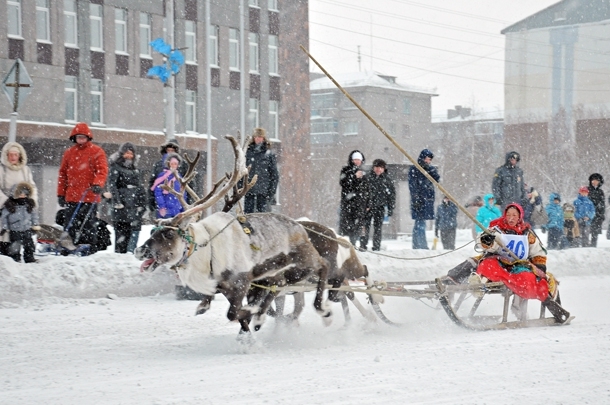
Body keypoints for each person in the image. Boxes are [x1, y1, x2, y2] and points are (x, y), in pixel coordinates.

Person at [445, 204, 567, 322]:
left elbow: (537, 251)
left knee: (529, 278)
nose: (511, 218)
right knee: (486, 265)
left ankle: (525, 303)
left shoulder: (527, 232)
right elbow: (483, 243)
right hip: (498, 262)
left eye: (514, 215)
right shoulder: (497, 229)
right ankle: (477, 283)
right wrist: (487, 241)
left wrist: (539, 265)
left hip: (519, 266)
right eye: (508, 214)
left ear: (519, 216)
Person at [57, 122, 108, 254]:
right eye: (78, 137)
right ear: (74, 138)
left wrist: (98, 184)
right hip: (72, 196)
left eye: (83, 137)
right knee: (70, 225)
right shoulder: (69, 153)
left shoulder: (97, 151)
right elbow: (63, 174)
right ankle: (68, 249)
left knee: (88, 224)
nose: (81, 140)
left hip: (89, 195)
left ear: (88, 137)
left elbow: (102, 170)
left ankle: (88, 249)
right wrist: (61, 194)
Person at [103, 143, 147, 254]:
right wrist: (117, 202)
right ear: (122, 154)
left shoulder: (135, 170)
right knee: (120, 238)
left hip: (132, 209)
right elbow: (112, 185)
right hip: (121, 209)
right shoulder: (115, 167)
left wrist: (142, 205)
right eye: (127, 153)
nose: (129, 155)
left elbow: (140, 188)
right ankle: (119, 259)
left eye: (131, 153)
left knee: (130, 239)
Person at [0, 142, 38, 255]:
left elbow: (32, 187)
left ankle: (28, 257)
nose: (13, 157)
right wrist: (5, 201)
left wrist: (32, 201)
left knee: (26, 237)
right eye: (10, 155)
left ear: (20, 156)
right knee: (6, 237)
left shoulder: (25, 170)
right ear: (6, 156)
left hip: (22, 208)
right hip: (6, 207)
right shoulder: (2, 170)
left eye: (15, 155)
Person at [360, 159, 395, 251]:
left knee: (378, 228)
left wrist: (391, 208)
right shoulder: (367, 178)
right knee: (364, 227)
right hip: (368, 207)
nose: (378, 169)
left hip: (380, 207)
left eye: (380, 168)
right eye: (376, 167)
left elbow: (391, 195)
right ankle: (363, 245)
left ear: (383, 169)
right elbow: (362, 193)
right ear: (373, 168)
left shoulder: (387, 180)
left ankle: (376, 246)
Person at [242, 128, 279, 214]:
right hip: (249, 190)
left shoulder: (269, 154)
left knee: (262, 217)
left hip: (263, 192)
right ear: (253, 138)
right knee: (248, 216)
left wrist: (271, 192)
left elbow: (274, 175)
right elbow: (242, 172)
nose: (258, 139)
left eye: (260, 137)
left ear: (263, 138)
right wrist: (241, 188)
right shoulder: (247, 152)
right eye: (256, 136)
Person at [0, 182, 40, 263]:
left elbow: (34, 215)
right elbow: (4, 217)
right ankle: (15, 258)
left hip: (26, 228)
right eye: (20, 193)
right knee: (15, 245)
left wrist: (35, 224)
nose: (23, 195)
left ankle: (29, 258)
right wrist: (5, 227)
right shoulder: (10, 205)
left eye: (25, 193)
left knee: (29, 244)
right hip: (15, 229)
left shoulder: (29, 204)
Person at [408, 149, 440, 249]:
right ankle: (421, 245)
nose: (428, 161)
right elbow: (412, 185)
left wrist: (430, 170)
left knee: (420, 222)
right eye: (426, 159)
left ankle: (417, 245)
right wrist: (416, 198)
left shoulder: (430, 169)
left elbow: (437, 179)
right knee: (420, 223)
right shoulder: (415, 169)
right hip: (419, 200)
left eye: (429, 159)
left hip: (428, 200)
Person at [148, 139, 189, 213]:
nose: (170, 152)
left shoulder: (183, 165)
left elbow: (188, 184)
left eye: (172, 150)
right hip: (162, 202)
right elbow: (153, 183)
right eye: (168, 150)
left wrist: (187, 202)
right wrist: (151, 200)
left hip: (178, 202)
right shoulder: (159, 164)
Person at [339, 150, 369, 245]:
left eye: (358, 160)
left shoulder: (365, 172)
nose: (357, 162)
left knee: (359, 225)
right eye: (355, 159)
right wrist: (353, 176)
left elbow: (368, 189)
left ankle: (359, 244)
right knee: (348, 224)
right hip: (348, 202)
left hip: (360, 203)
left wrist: (368, 203)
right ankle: (349, 243)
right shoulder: (345, 170)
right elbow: (343, 183)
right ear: (351, 160)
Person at [151, 153, 186, 219]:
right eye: (172, 163)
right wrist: (162, 206)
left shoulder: (179, 177)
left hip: (177, 211)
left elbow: (183, 194)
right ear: (168, 164)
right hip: (166, 211)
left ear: (178, 165)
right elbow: (158, 193)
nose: (173, 166)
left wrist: (183, 208)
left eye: (175, 164)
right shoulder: (163, 176)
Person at [587, 173, 605, 247]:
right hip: (588, 214)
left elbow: (602, 204)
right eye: (593, 180)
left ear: (599, 182)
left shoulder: (600, 192)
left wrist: (602, 214)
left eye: (596, 180)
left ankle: (593, 246)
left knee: (595, 232)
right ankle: (585, 245)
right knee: (586, 231)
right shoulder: (587, 190)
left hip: (597, 214)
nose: (594, 182)